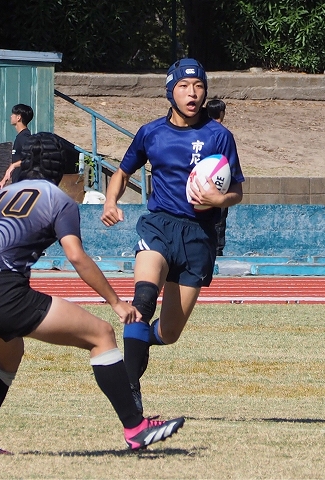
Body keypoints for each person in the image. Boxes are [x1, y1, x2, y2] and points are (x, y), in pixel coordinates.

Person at [0, 132, 184, 456]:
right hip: (3, 292)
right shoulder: (58, 200)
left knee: (8, 356)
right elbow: (75, 256)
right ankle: (136, 428)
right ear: (60, 168)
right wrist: (116, 302)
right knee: (102, 334)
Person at [100, 58, 245, 413]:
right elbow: (122, 172)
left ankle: (139, 344)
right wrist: (110, 201)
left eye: (198, 87)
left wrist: (217, 199)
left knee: (169, 333)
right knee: (143, 299)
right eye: (183, 86)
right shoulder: (151, 133)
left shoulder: (219, 136)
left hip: (199, 237)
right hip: (159, 226)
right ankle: (130, 392)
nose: (192, 93)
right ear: (170, 92)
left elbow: (237, 191)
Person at [206, 99, 228, 256]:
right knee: (219, 218)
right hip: (220, 181)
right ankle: (217, 250)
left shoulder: (201, 131)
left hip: (201, 181)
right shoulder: (223, 134)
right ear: (222, 113)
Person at [0, 103, 34, 190]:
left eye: (13, 114)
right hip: (17, 184)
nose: (11, 116)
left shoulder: (24, 137)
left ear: (18, 118)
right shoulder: (20, 137)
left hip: (23, 185)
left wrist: (13, 165)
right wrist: (4, 180)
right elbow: (17, 160)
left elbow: (32, 157)